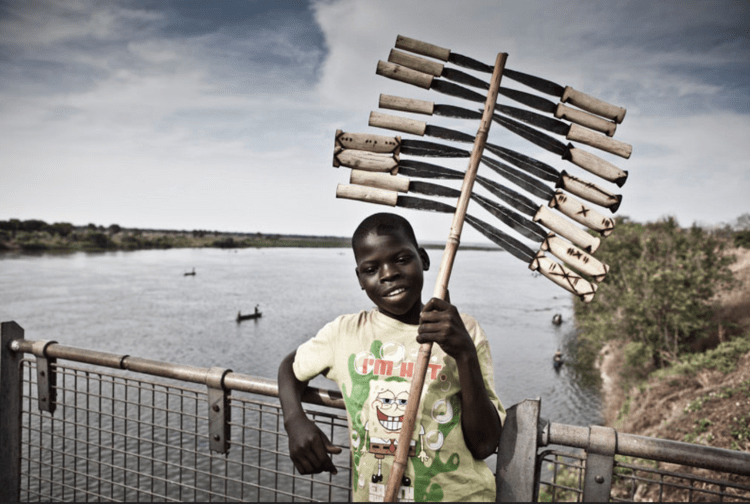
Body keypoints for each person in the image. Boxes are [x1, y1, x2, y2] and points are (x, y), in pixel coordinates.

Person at [278, 213, 505, 502]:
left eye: (401, 259)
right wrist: (295, 420)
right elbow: (290, 366)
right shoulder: (344, 333)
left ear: (423, 259)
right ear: (360, 278)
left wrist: (465, 354)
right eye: (371, 268)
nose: (388, 274)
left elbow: (485, 444)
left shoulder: (463, 331)